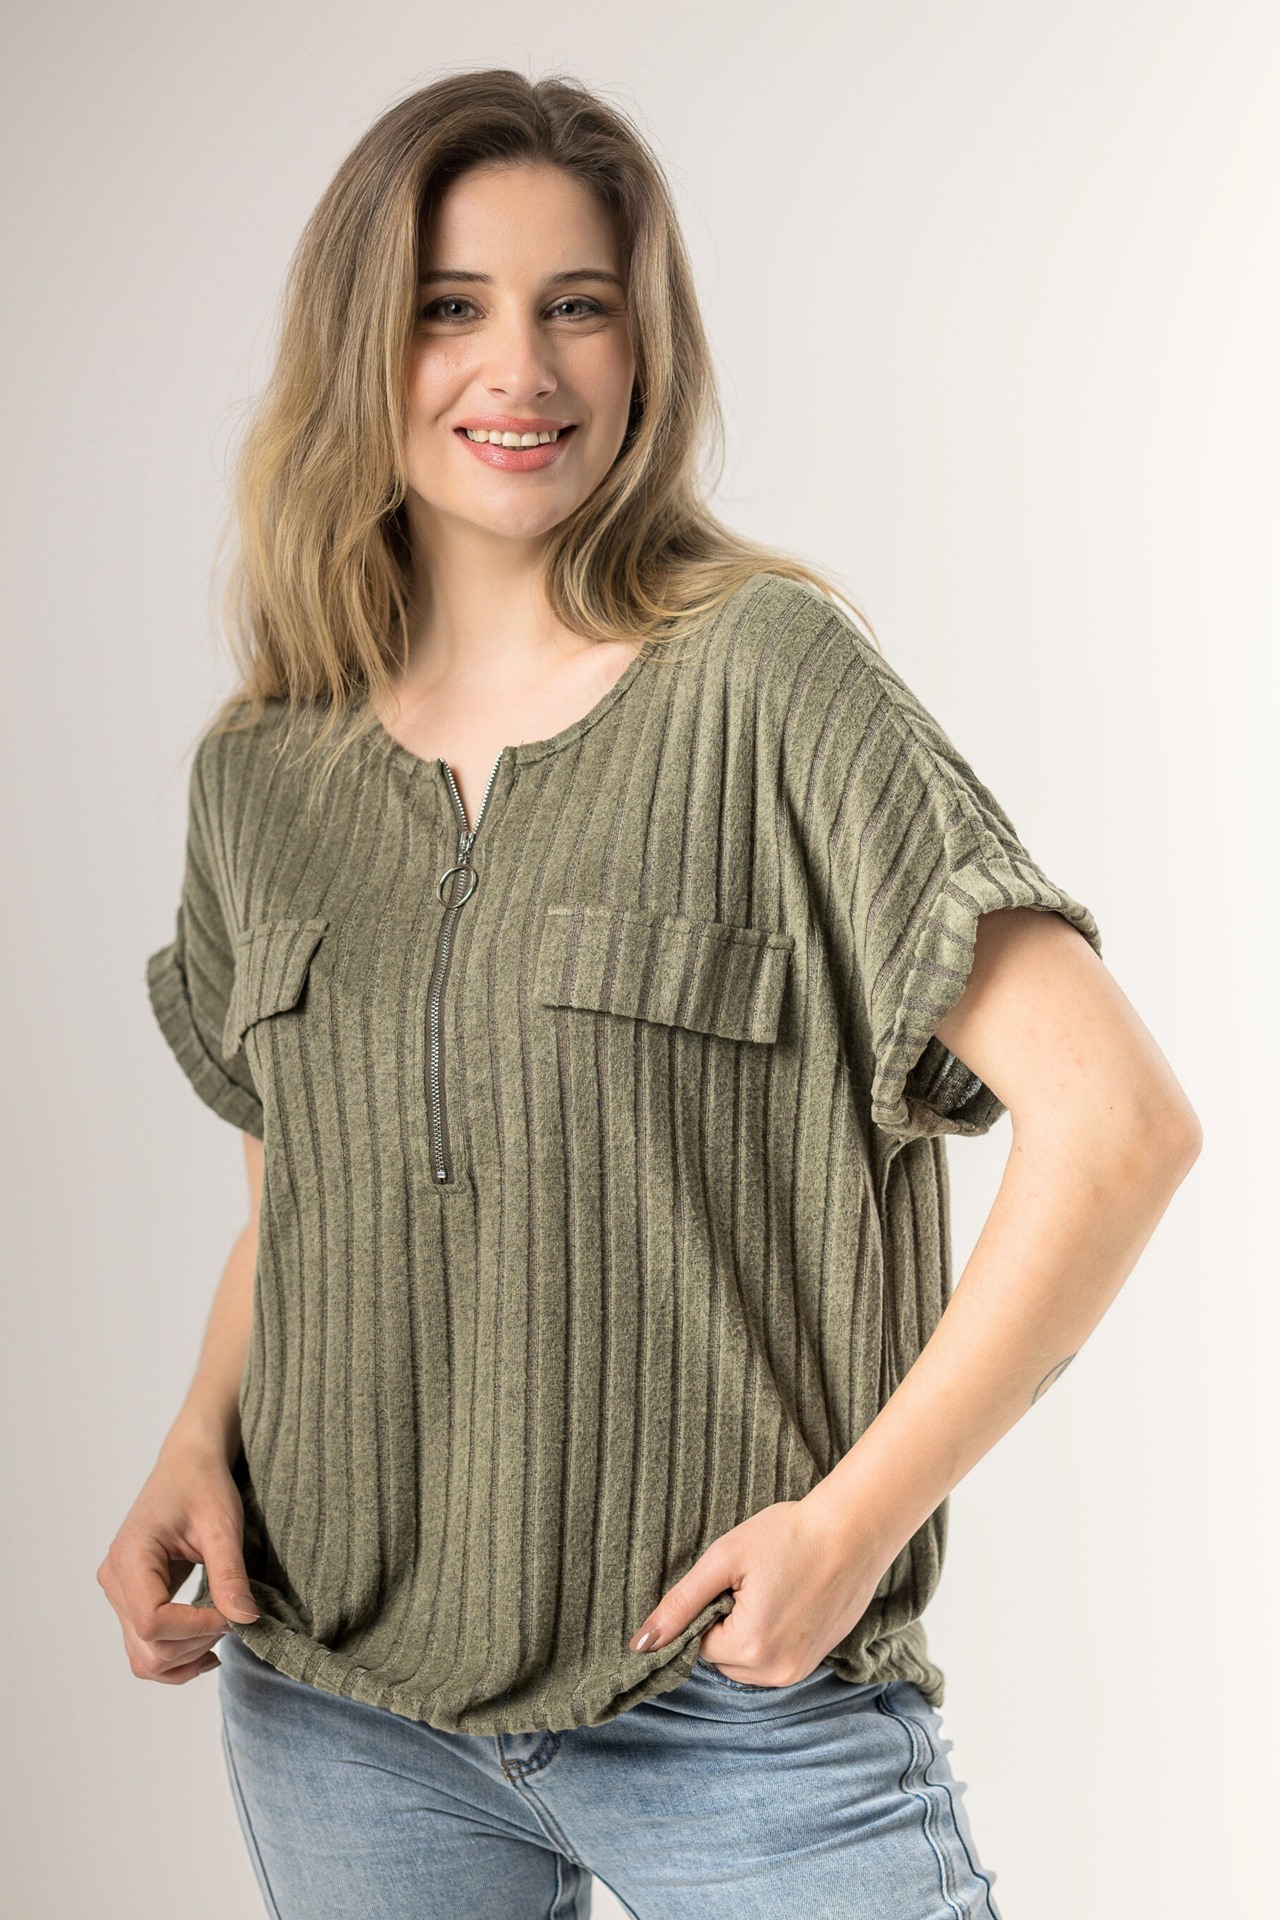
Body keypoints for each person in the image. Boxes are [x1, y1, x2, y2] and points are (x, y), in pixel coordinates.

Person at [100, 68, 1201, 1919]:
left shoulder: (769, 680)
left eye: (577, 306)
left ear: (644, 347)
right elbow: (299, 1200)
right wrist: (192, 1442)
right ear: (361, 344)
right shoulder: (263, 773)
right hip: (337, 1710)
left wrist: (852, 1530)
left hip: (733, 1703)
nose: (517, 369)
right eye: (451, 307)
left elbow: (1120, 1130)